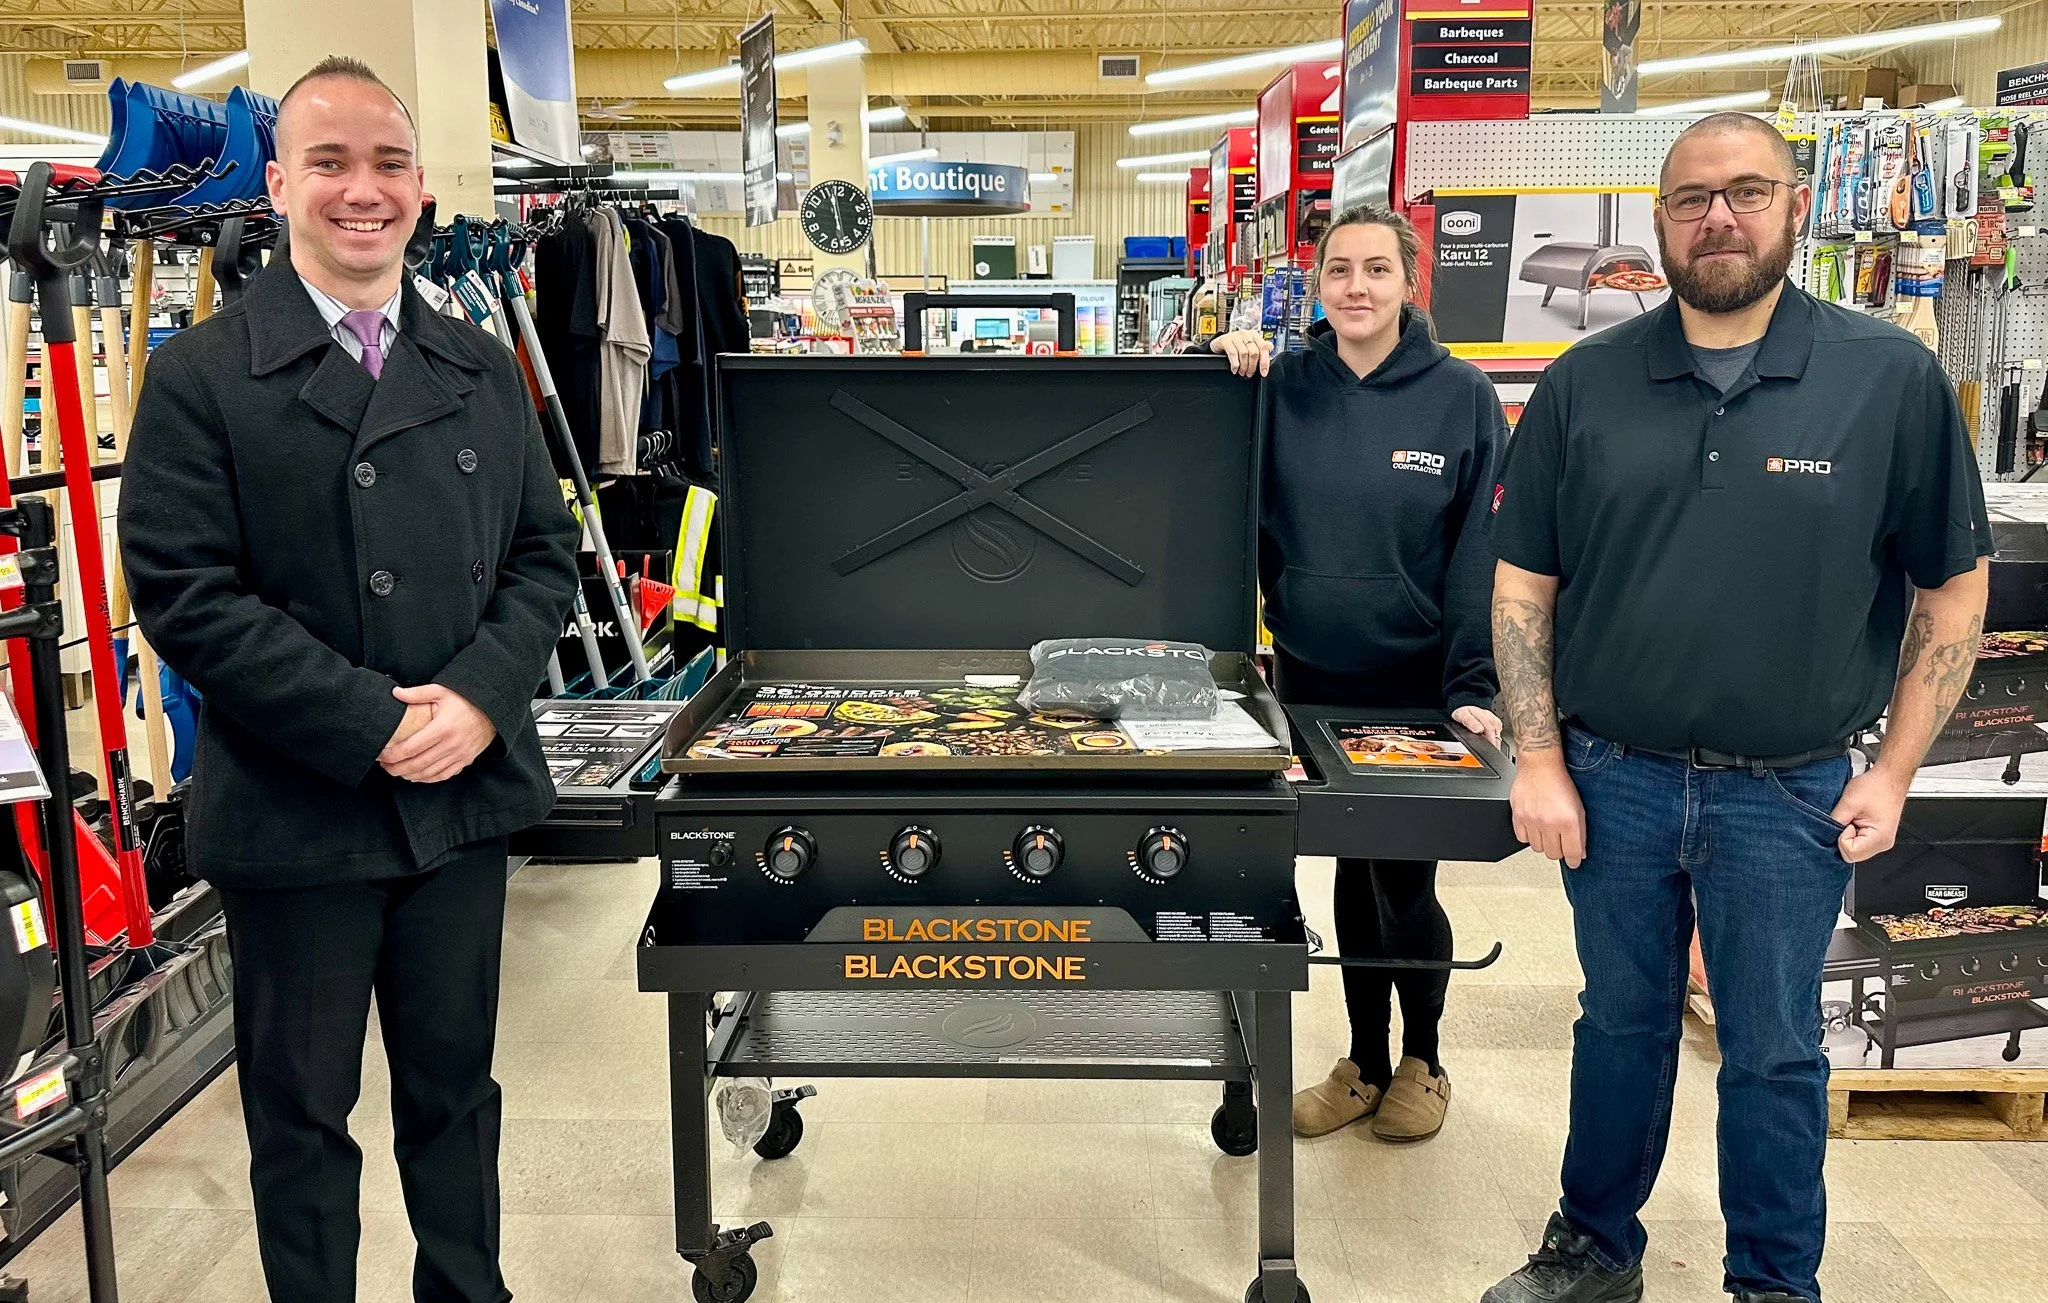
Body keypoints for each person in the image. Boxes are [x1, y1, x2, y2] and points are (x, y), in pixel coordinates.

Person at [1483, 114, 1990, 1303]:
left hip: (1790, 787)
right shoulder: (1583, 383)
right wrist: (1538, 758)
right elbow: (1522, 584)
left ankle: (1770, 1279)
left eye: (1745, 192)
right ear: (1657, 224)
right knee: (1618, 1024)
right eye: (1689, 199)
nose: (1717, 216)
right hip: (1611, 776)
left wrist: (1898, 769)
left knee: (1770, 1049)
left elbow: (1950, 582)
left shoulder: (1886, 381)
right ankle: (1594, 1245)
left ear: (1794, 207)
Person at [120, 57, 580, 1303]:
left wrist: (481, 696)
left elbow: (545, 554)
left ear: (423, 189)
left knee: (453, 1098)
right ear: (279, 185)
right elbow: (185, 594)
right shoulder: (204, 376)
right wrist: (367, 721)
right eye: (329, 162)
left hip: (456, 806)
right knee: (302, 1117)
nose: (360, 191)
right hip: (298, 810)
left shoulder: (479, 367)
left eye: (386, 164)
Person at [1207, 204, 1505, 1142]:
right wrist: (1228, 354)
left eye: (1378, 270)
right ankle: (1363, 1059)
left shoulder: (1461, 397)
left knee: (1404, 879)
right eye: (1340, 271)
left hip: (1415, 683)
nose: (1358, 288)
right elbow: (1234, 518)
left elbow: (1479, 556)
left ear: (1409, 283)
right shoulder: (1283, 385)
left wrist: (1473, 686)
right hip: (1309, 675)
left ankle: (1424, 1058)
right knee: (1344, 863)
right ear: (1319, 284)